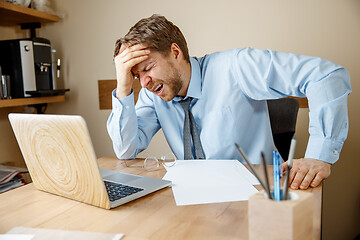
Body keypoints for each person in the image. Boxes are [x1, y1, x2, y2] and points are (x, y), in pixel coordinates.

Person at [107, 14, 351, 190]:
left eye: (148, 68)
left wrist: (319, 155)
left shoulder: (237, 66)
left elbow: (327, 75)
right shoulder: (152, 94)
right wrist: (124, 86)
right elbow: (126, 149)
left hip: (258, 192)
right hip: (194, 196)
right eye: (137, 75)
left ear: (176, 52)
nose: (145, 82)